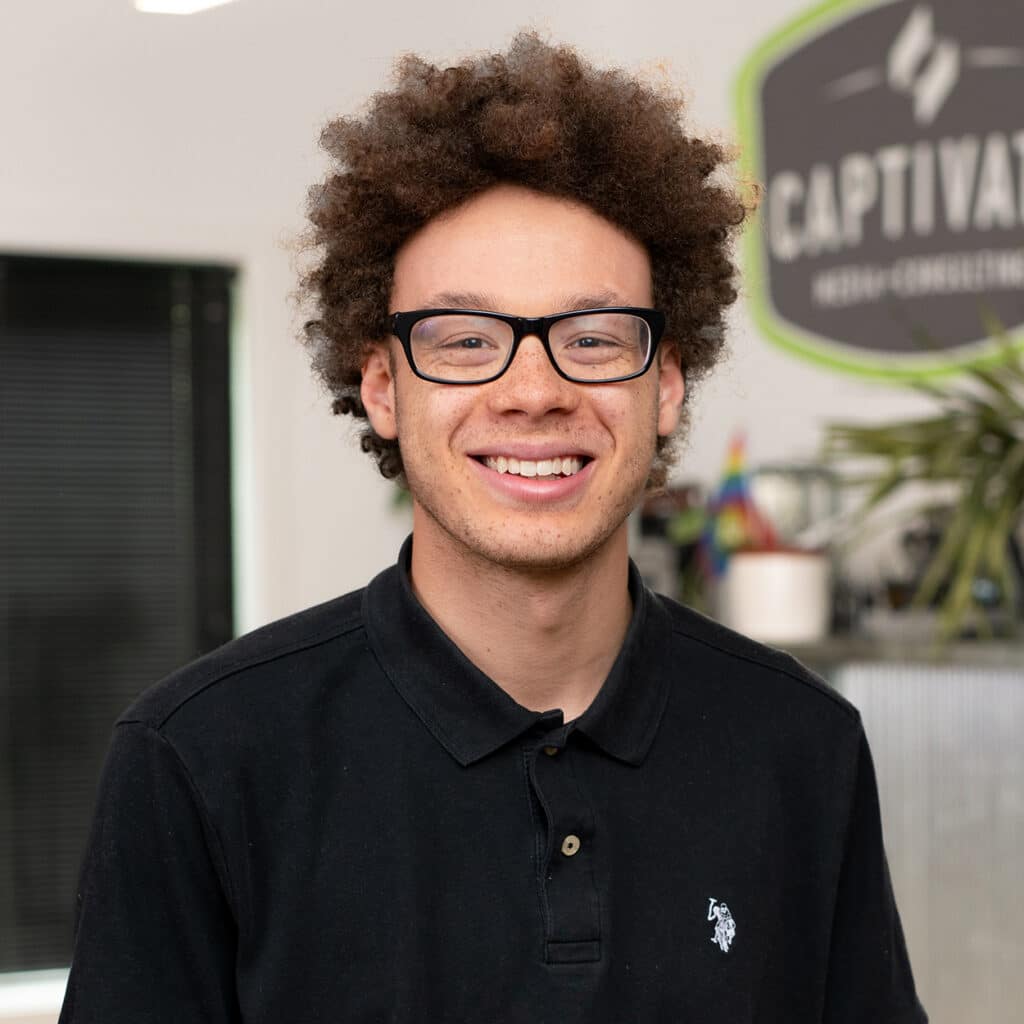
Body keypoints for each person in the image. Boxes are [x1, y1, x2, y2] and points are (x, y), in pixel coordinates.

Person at [59, 33, 927, 1023]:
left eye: (592, 338)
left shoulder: (802, 743)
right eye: (467, 340)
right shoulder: (200, 758)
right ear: (381, 386)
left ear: (666, 385)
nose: (533, 389)